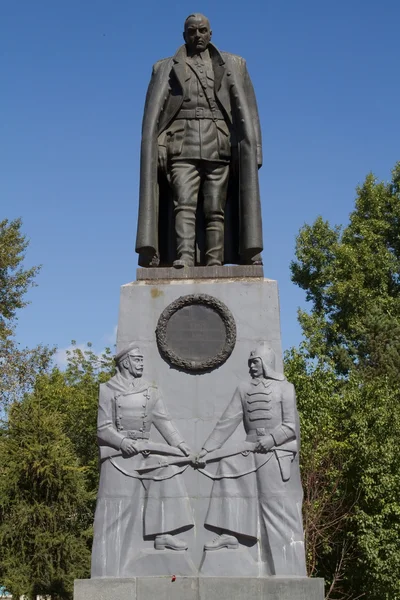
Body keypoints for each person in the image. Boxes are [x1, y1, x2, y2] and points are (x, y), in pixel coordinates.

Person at [136, 13, 263, 268]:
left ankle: (214, 260)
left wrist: (254, 148)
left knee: (215, 208)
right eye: (192, 32)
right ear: (184, 36)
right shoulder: (164, 68)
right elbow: (154, 117)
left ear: (211, 33)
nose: (198, 36)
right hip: (181, 145)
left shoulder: (232, 64)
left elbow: (248, 110)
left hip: (219, 145)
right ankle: (184, 256)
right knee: (183, 204)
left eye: (202, 31)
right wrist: (159, 142)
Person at [198, 343, 307, 576]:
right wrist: (207, 450)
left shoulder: (285, 389)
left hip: (273, 452)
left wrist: (271, 439)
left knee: (274, 505)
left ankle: (285, 568)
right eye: (250, 363)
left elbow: (290, 427)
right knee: (227, 466)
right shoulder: (243, 389)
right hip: (250, 448)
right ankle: (230, 533)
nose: (251, 367)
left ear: (266, 363)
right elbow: (227, 422)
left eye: (255, 362)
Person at [91, 344, 194, 577]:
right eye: (137, 359)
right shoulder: (108, 389)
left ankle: (163, 533)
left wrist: (182, 447)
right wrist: (122, 443)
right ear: (125, 362)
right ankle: (108, 571)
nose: (141, 363)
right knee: (118, 511)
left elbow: (164, 422)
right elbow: (103, 429)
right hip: (119, 455)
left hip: (145, 452)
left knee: (166, 470)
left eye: (141, 359)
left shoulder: (150, 391)